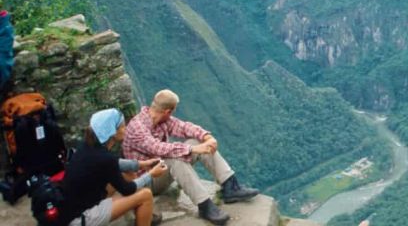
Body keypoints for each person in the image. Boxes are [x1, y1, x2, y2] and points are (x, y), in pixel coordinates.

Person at [123, 89, 259, 225]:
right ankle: (204, 205)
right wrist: (193, 149)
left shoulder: (162, 119)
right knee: (173, 158)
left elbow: (183, 127)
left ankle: (230, 186)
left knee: (198, 142)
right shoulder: (137, 128)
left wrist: (207, 137)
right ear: (168, 111)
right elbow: (158, 148)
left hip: (160, 172)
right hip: (147, 181)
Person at [60, 108, 168, 226]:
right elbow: (127, 189)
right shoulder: (105, 158)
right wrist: (151, 174)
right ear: (112, 132)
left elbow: (113, 163)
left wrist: (141, 164)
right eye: (122, 127)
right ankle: (144, 209)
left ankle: (144, 214)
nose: (125, 129)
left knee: (128, 174)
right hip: (80, 218)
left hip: (68, 209)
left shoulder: (87, 146)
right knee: (146, 195)